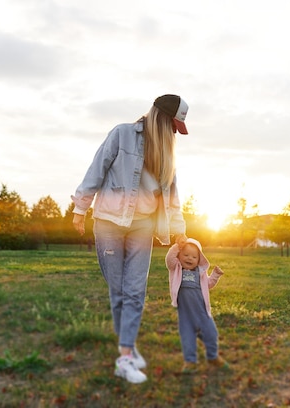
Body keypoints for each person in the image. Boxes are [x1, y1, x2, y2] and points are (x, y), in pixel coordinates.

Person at [71, 94, 190, 384]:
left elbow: (172, 197)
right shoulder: (122, 134)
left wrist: (179, 228)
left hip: (143, 227)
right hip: (109, 223)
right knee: (120, 291)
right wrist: (80, 208)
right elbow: (96, 169)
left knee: (134, 292)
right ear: (161, 118)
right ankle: (128, 347)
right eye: (173, 126)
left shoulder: (167, 155)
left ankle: (125, 357)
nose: (174, 133)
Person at [165, 237, 229, 373]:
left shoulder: (200, 274)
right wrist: (178, 246)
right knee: (188, 338)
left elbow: (209, 284)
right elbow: (169, 258)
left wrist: (215, 275)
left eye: (194, 257)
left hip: (202, 312)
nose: (189, 258)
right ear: (179, 256)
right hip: (186, 315)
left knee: (212, 333)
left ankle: (212, 356)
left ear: (199, 260)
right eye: (186, 255)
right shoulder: (176, 269)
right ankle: (190, 362)